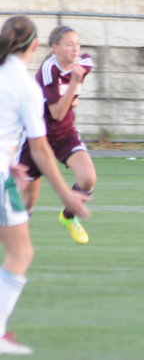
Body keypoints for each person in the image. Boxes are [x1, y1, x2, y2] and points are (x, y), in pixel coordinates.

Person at [0, 15, 91, 354]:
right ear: (38, 46)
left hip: (6, 168)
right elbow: (40, 150)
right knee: (21, 252)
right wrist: (67, 195)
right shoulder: (27, 86)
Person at [17, 25, 95, 244]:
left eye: (77, 44)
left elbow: (71, 102)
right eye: (69, 44)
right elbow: (57, 113)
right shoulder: (48, 69)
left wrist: (73, 94)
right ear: (54, 47)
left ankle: (68, 218)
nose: (75, 49)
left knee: (88, 179)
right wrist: (74, 84)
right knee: (27, 201)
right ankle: (16, 240)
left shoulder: (84, 62)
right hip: (37, 138)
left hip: (65, 134)